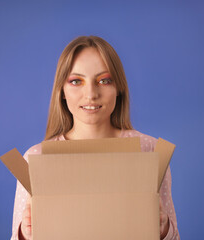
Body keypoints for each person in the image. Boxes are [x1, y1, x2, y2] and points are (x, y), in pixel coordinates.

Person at [10, 36, 180, 240]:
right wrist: (25, 234)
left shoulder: (150, 151)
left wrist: (163, 228)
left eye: (104, 80)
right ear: (61, 91)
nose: (91, 94)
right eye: (76, 81)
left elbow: (174, 237)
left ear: (119, 88)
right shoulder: (36, 157)